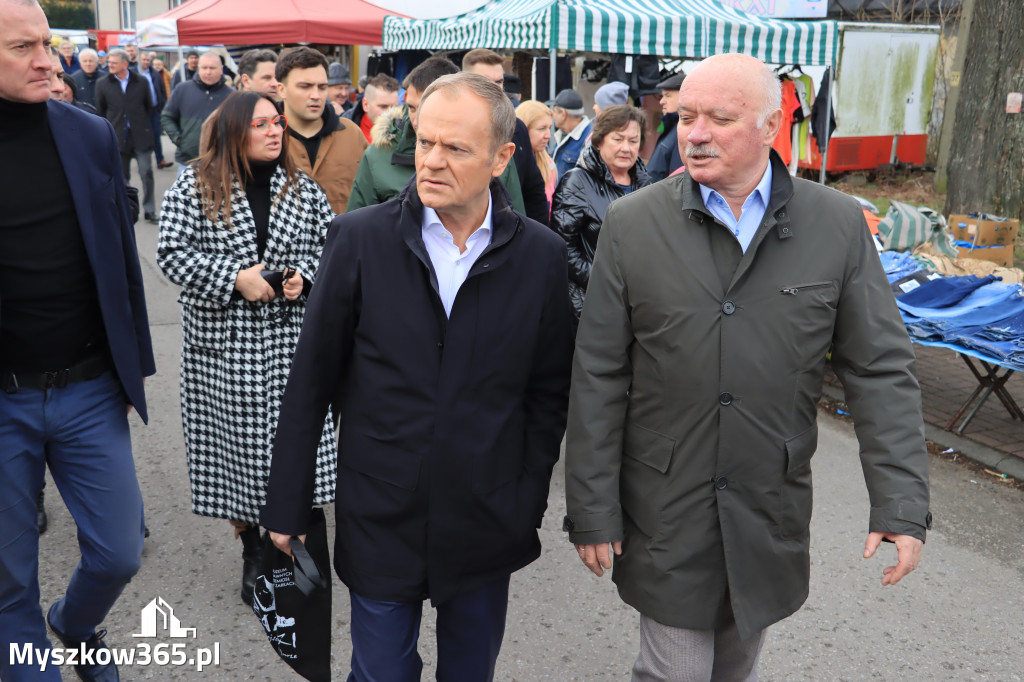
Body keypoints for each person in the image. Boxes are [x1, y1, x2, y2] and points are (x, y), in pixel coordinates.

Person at [563, 53, 932, 681]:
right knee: (672, 670)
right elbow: (598, 373)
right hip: (664, 505)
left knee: (735, 667)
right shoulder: (633, 224)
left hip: (768, 504)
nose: (695, 132)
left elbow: (880, 370)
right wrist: (592, 507)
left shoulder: (836, 225)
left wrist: (900, 501)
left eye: (720, 118)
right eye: (687, 116)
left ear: (771, 126)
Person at [260, 71, 573, 681]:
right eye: (425, 142)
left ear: (501, 157)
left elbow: (547, 392)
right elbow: (311, 382)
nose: (430, 160)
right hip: (380, 508)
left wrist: (525, 499)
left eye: (454, 148)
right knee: (379, 672)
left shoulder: (540, 255)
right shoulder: (358, 239)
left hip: (486, 516)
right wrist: (287, 502)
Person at [0, 1, 155, 680]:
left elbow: (122, 261)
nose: (46, 60)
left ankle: (79, 624)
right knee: (8, 586)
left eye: (47, 43)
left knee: (120, 552)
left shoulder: (87, 134)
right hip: (2, 403)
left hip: (90, 387)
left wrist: (131, 372)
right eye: (22, 47)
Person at [156, 91, 337, 607]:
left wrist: (305, 276)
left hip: (288, 346)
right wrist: (234, 279)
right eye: (261, 124)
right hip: (223, 350)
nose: (275, 130)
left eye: (277, 122)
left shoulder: (301, 188)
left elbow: (329, 250)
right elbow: (170, 253)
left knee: (295, 448)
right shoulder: (194, 184)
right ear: (236, 131)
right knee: (238, 458)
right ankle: (253, 547)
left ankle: (296, 543)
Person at [347, 56, 525, 215]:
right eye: (411, 107)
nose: (417, 120)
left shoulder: (494, 154)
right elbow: (358, 232)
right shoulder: (378, 154)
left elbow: (515, 220)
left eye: (455, 148)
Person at [551, 105, 649, 321]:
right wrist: (603, 281)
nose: (626, 148)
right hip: (588, 306)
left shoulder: (647, 184)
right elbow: (563, 247)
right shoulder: (576, 182)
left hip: (636, 305)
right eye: (618, 139)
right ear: (599, 140)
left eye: (633, 141)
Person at [273, 47, 366, 214]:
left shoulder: (351, 134)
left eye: (322, 87)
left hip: (343, 238)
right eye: (305, 86)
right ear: (281, 90)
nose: (316, 95)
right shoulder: (266, 137)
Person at [462, 48, 549, 226]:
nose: (496, 88)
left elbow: (533, 193)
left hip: (514, 239)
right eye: (486, 82)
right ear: (465, 83)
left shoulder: (517, 128)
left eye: (499, 81)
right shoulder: (451, 129)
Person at [95, 48, 158, 222]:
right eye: (108, 62)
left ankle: (150, 209)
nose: (109, 65)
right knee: (122, 178)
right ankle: (127, 210)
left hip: (140, 136)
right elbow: (101, 111)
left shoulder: (141, 81)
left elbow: (149, 107)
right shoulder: (102, 84)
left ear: (125, 64)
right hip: (117, 138)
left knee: (147, 173)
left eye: (113, 63)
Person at [162, 51, 233, 168]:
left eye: (212, 68)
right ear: (198, 69)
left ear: (221, 69)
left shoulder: (231, 96)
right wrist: (178, 139)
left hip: (221, 162)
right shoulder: (182, 89)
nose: (208, 72)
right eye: (204, 68)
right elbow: (167, 117)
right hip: (188, 161)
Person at [515, 100, 557, 212]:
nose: (548, 135)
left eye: (550, 128)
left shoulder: (549, 164)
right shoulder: (511, 164)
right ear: (523, 129)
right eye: (541, 129)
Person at [647, 72, 685, 182]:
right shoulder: (673, 128)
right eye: (662, 96)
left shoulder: (682, 131)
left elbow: (677, 180)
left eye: (668, 96)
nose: (661, 101)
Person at [136, 50, 171, 169]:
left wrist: (162, 103)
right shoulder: (133, 73)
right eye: (143, 60)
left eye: (147, 60)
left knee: (156, 134)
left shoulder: (154, 73)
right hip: (139, 112)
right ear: (138, 60)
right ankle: (143, 161)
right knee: (141, 137)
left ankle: (160, 160)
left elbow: (160, 89)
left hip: (154, 109)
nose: (146, 62)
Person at [343, 72, 399, 143]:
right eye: (383, 107)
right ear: (365, 105)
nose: (390, 112)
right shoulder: (343, 129)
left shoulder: (404, 133)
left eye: (394, 107)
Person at [549, 88, 592, 177]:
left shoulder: (589, 139)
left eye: (555, 111)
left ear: (563, 114)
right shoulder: (563, 132)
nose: (553, 115)